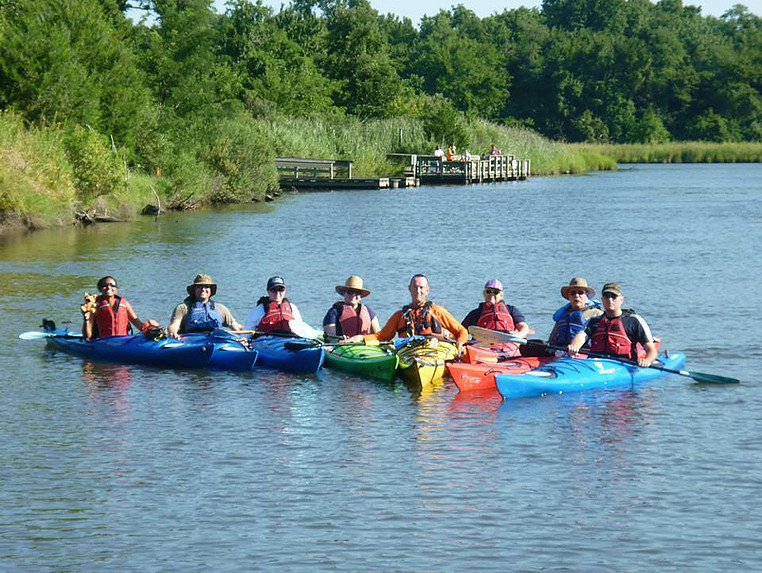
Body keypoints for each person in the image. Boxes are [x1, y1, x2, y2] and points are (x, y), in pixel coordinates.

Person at [348, 274, 468, 351]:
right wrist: (360, 338)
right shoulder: (399, 315)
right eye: (415, 287)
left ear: (427, 290)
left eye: (421, 288)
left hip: (435, 352)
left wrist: (460, 343)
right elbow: (382, 336)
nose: (418, 291)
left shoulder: (438, 311)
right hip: (409, 354)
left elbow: (461, 331)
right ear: (409, 289)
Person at [567, 282, 658, 367]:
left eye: (613, 296)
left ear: (621, 300)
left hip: (624, 365)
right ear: (602, 300)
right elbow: (581, 337)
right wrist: (574, 347)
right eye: (606, 296)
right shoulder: (594, 321)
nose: (610, 300)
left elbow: (651, 351)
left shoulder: (634, 321)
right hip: (596, 364)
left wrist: (647, 361)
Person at [461, 279, 530, 357]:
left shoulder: (511, 310)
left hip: (508, 344)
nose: (492, 294)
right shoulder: (476, 313)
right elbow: (461, 331)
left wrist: (518, 335)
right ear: (484, 293)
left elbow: (524, 327)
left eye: (496, 292)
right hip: (484, 345)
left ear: (501, 295)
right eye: (488, 291)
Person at [167, 274, 242, 338]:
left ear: (210, 290)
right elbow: (174, 325)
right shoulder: (183, 308)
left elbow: (236, 327)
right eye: (199, 286)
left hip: (216, 342)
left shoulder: (221, 309)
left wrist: (249, 333)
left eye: (206, 286)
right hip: (191, 341)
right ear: (194, 290)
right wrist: (173, 332)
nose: (203, 289)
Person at [83, 276, 159, 340]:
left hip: (123, 341)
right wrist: (86, 319)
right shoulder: (94, 305)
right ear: (100, 289)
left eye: (112, 285)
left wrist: (151, 330)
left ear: (116, 289)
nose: (109, 287)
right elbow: (88, 336)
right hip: (103, 342)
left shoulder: (125, 304)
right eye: (104, 285)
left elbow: (139, 325)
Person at [548, 277, 603, 346]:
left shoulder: (596, 314)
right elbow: (552, 337)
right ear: (568, 296)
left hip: (584, 351)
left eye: (580, 293)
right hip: (559, 350)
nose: (576, 296)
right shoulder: (563, 313)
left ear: (586, 295)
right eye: (573, 293)